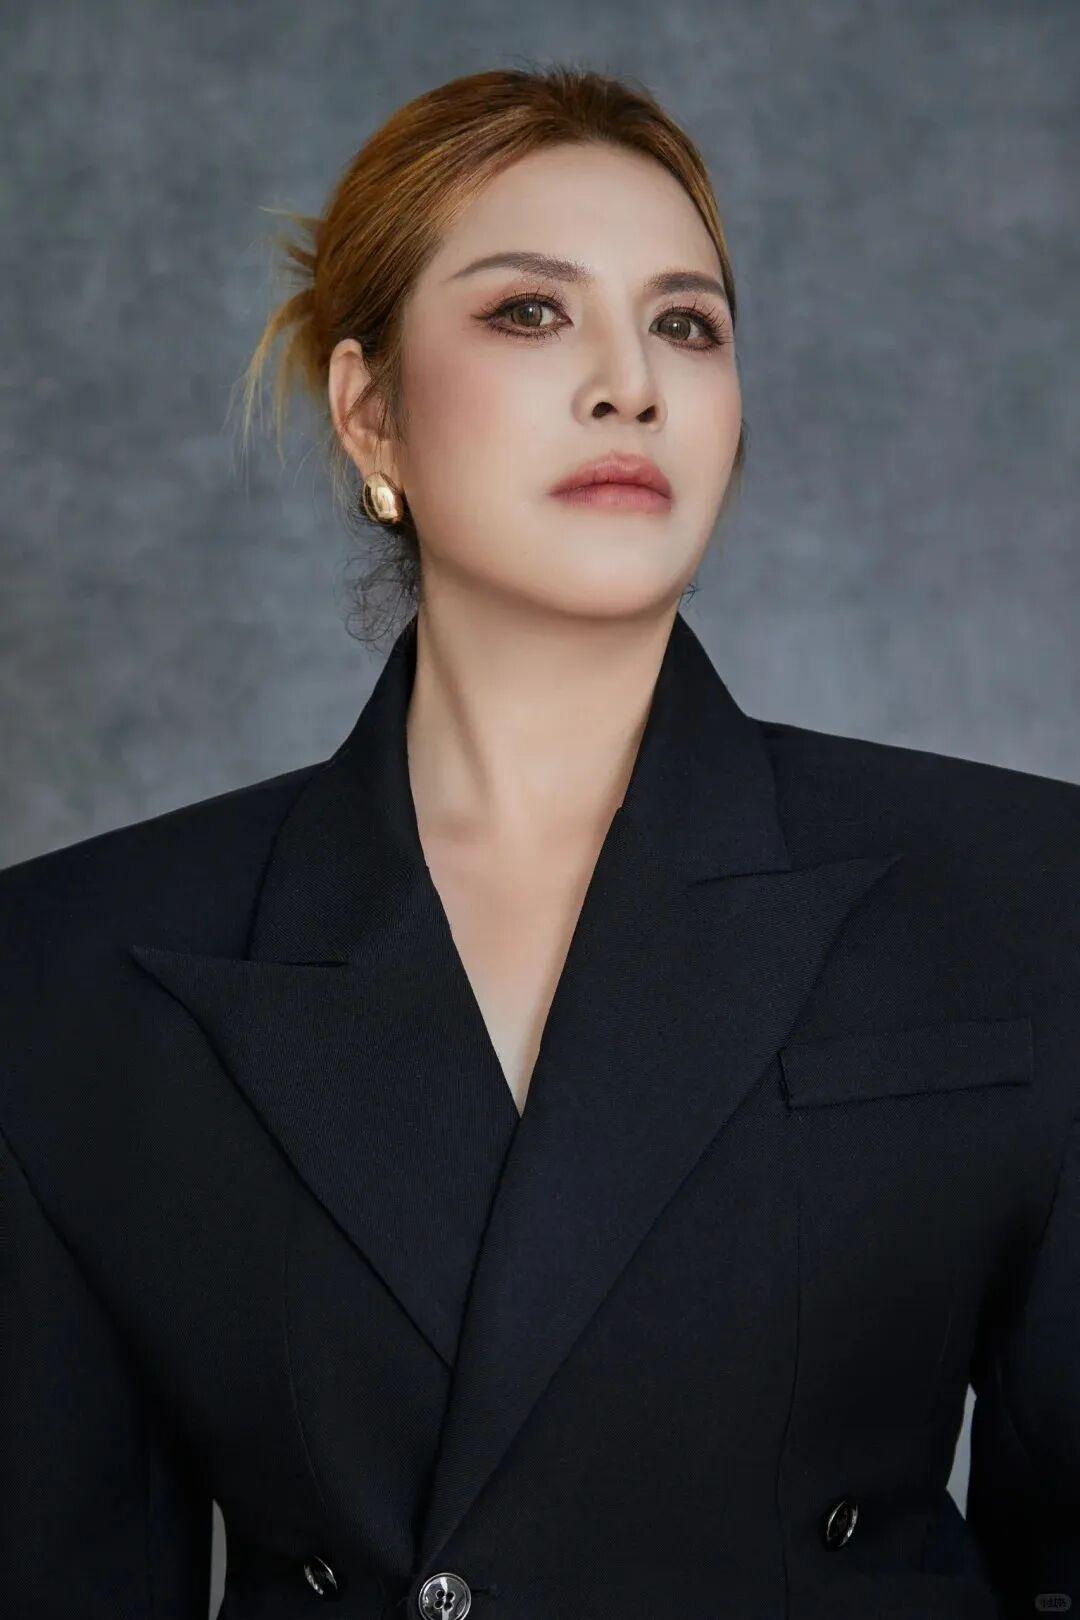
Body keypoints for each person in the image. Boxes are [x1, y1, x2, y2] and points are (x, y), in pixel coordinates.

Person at [1, 62, 1077, 1620]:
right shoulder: (67, 970)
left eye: (686, 325)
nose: (630, 382)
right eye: (531, 311)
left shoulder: (1021, 887)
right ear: (369, 410)